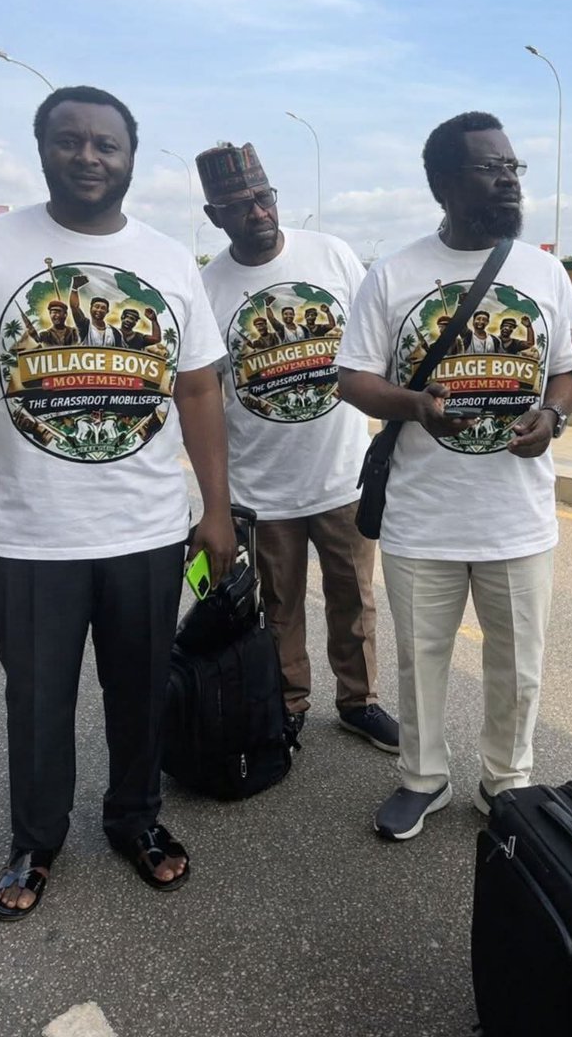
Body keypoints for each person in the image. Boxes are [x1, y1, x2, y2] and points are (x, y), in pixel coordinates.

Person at [0, 85, 236, 920]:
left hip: (147, 527)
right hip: (27, 532)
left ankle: (135, 821)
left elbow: (198, 390)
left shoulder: (167, 260)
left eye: (106, 144)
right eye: (70, 140)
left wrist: (217, 508)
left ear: (129, 157)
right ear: (42, 148)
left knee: (139, 690)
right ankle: (36, 839)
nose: (87, 156)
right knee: (37, 700)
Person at [337, 111, 572, 840]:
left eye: (513, 166)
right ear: (444, 184)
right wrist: (412, 403)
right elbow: (351, 378)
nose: (508, 178)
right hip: (421, 517)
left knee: (519, 667)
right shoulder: (394, 273)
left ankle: (507, 783)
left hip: (517, 518)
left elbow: (567, 375)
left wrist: (554, 420)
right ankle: (422, 778)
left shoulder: (542, 272)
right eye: (489, 167)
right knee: (421, 663)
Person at [197, 141, 398, 752]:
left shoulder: (332, 254)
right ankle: (287, 705)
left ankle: (358, 702)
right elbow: (201, 392)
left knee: (354, 600)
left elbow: (375, 342)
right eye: (240, 204)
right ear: (215, 217)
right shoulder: (207, 286)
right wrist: (215, 499)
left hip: (340, 476)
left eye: (264, 198)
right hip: (262, 486)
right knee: (278, 607)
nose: (257, 212)